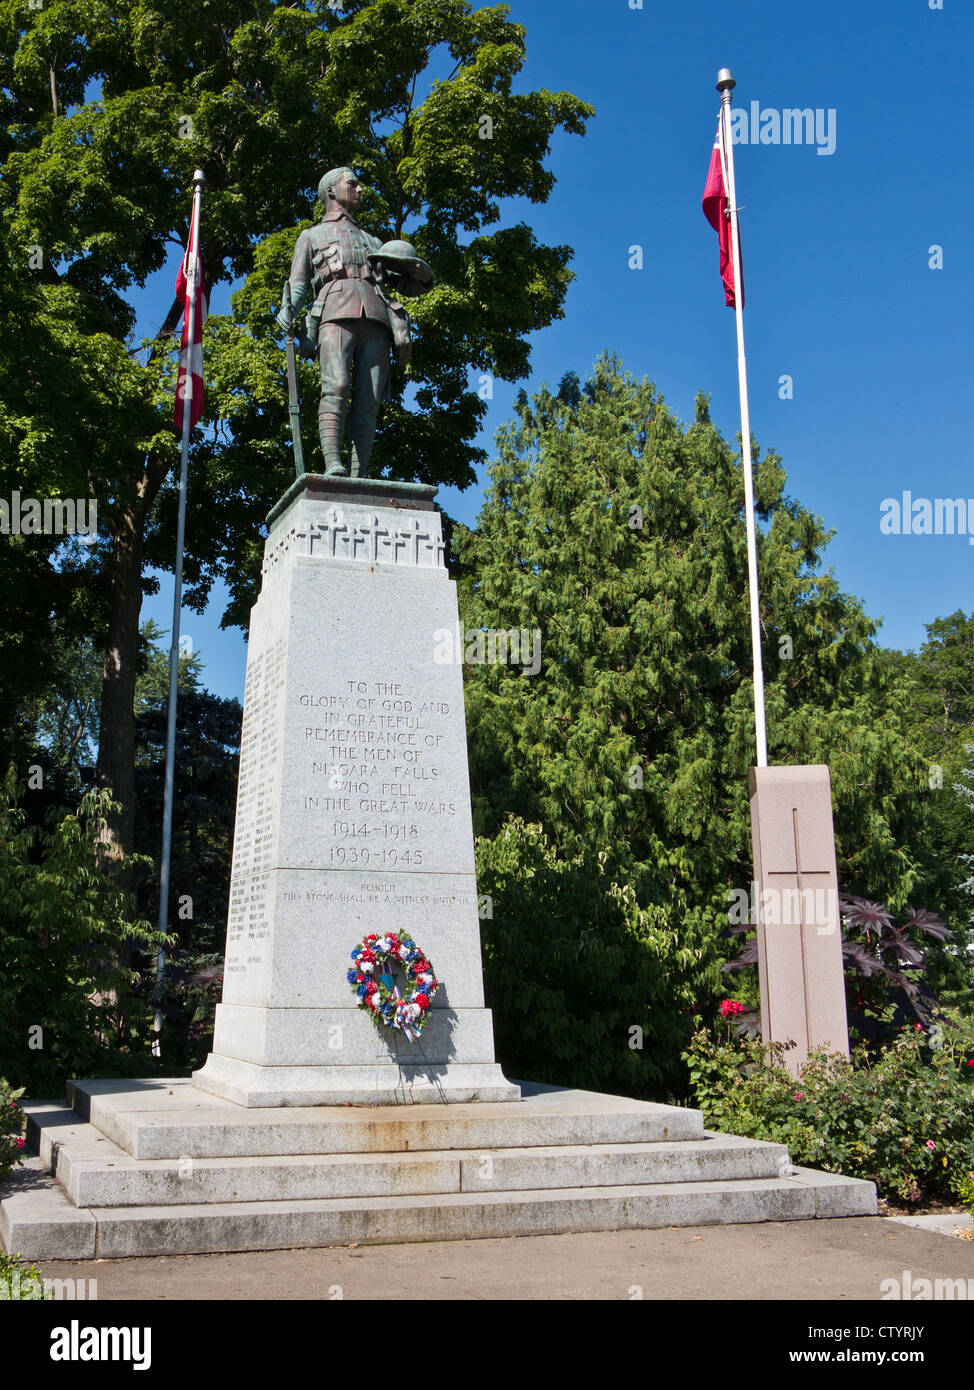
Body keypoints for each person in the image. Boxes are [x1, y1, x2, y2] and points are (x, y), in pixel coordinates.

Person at [278, 167, 432, 478]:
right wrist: (289, 308)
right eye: (353, 184)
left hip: (376, 317)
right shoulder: (312, 236)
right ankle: (332, 461)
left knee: (369, 397)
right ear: (332, 191)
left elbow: (401, 280)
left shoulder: (373, 241)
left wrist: (417, 273)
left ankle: (359, 472)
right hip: (334, 312)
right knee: (336, 385)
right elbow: (298, 283)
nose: (360, 189)